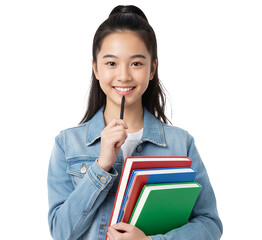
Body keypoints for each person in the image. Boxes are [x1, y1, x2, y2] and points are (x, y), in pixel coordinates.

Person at [47, 5, 223, 240]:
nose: (124, 75)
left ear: (152, 69)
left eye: (136, 63)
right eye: (111, 63)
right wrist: (101, 166)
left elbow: (209, 224)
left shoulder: (181, 143)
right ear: (95, 69)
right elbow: (61, 233)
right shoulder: (67, 144)